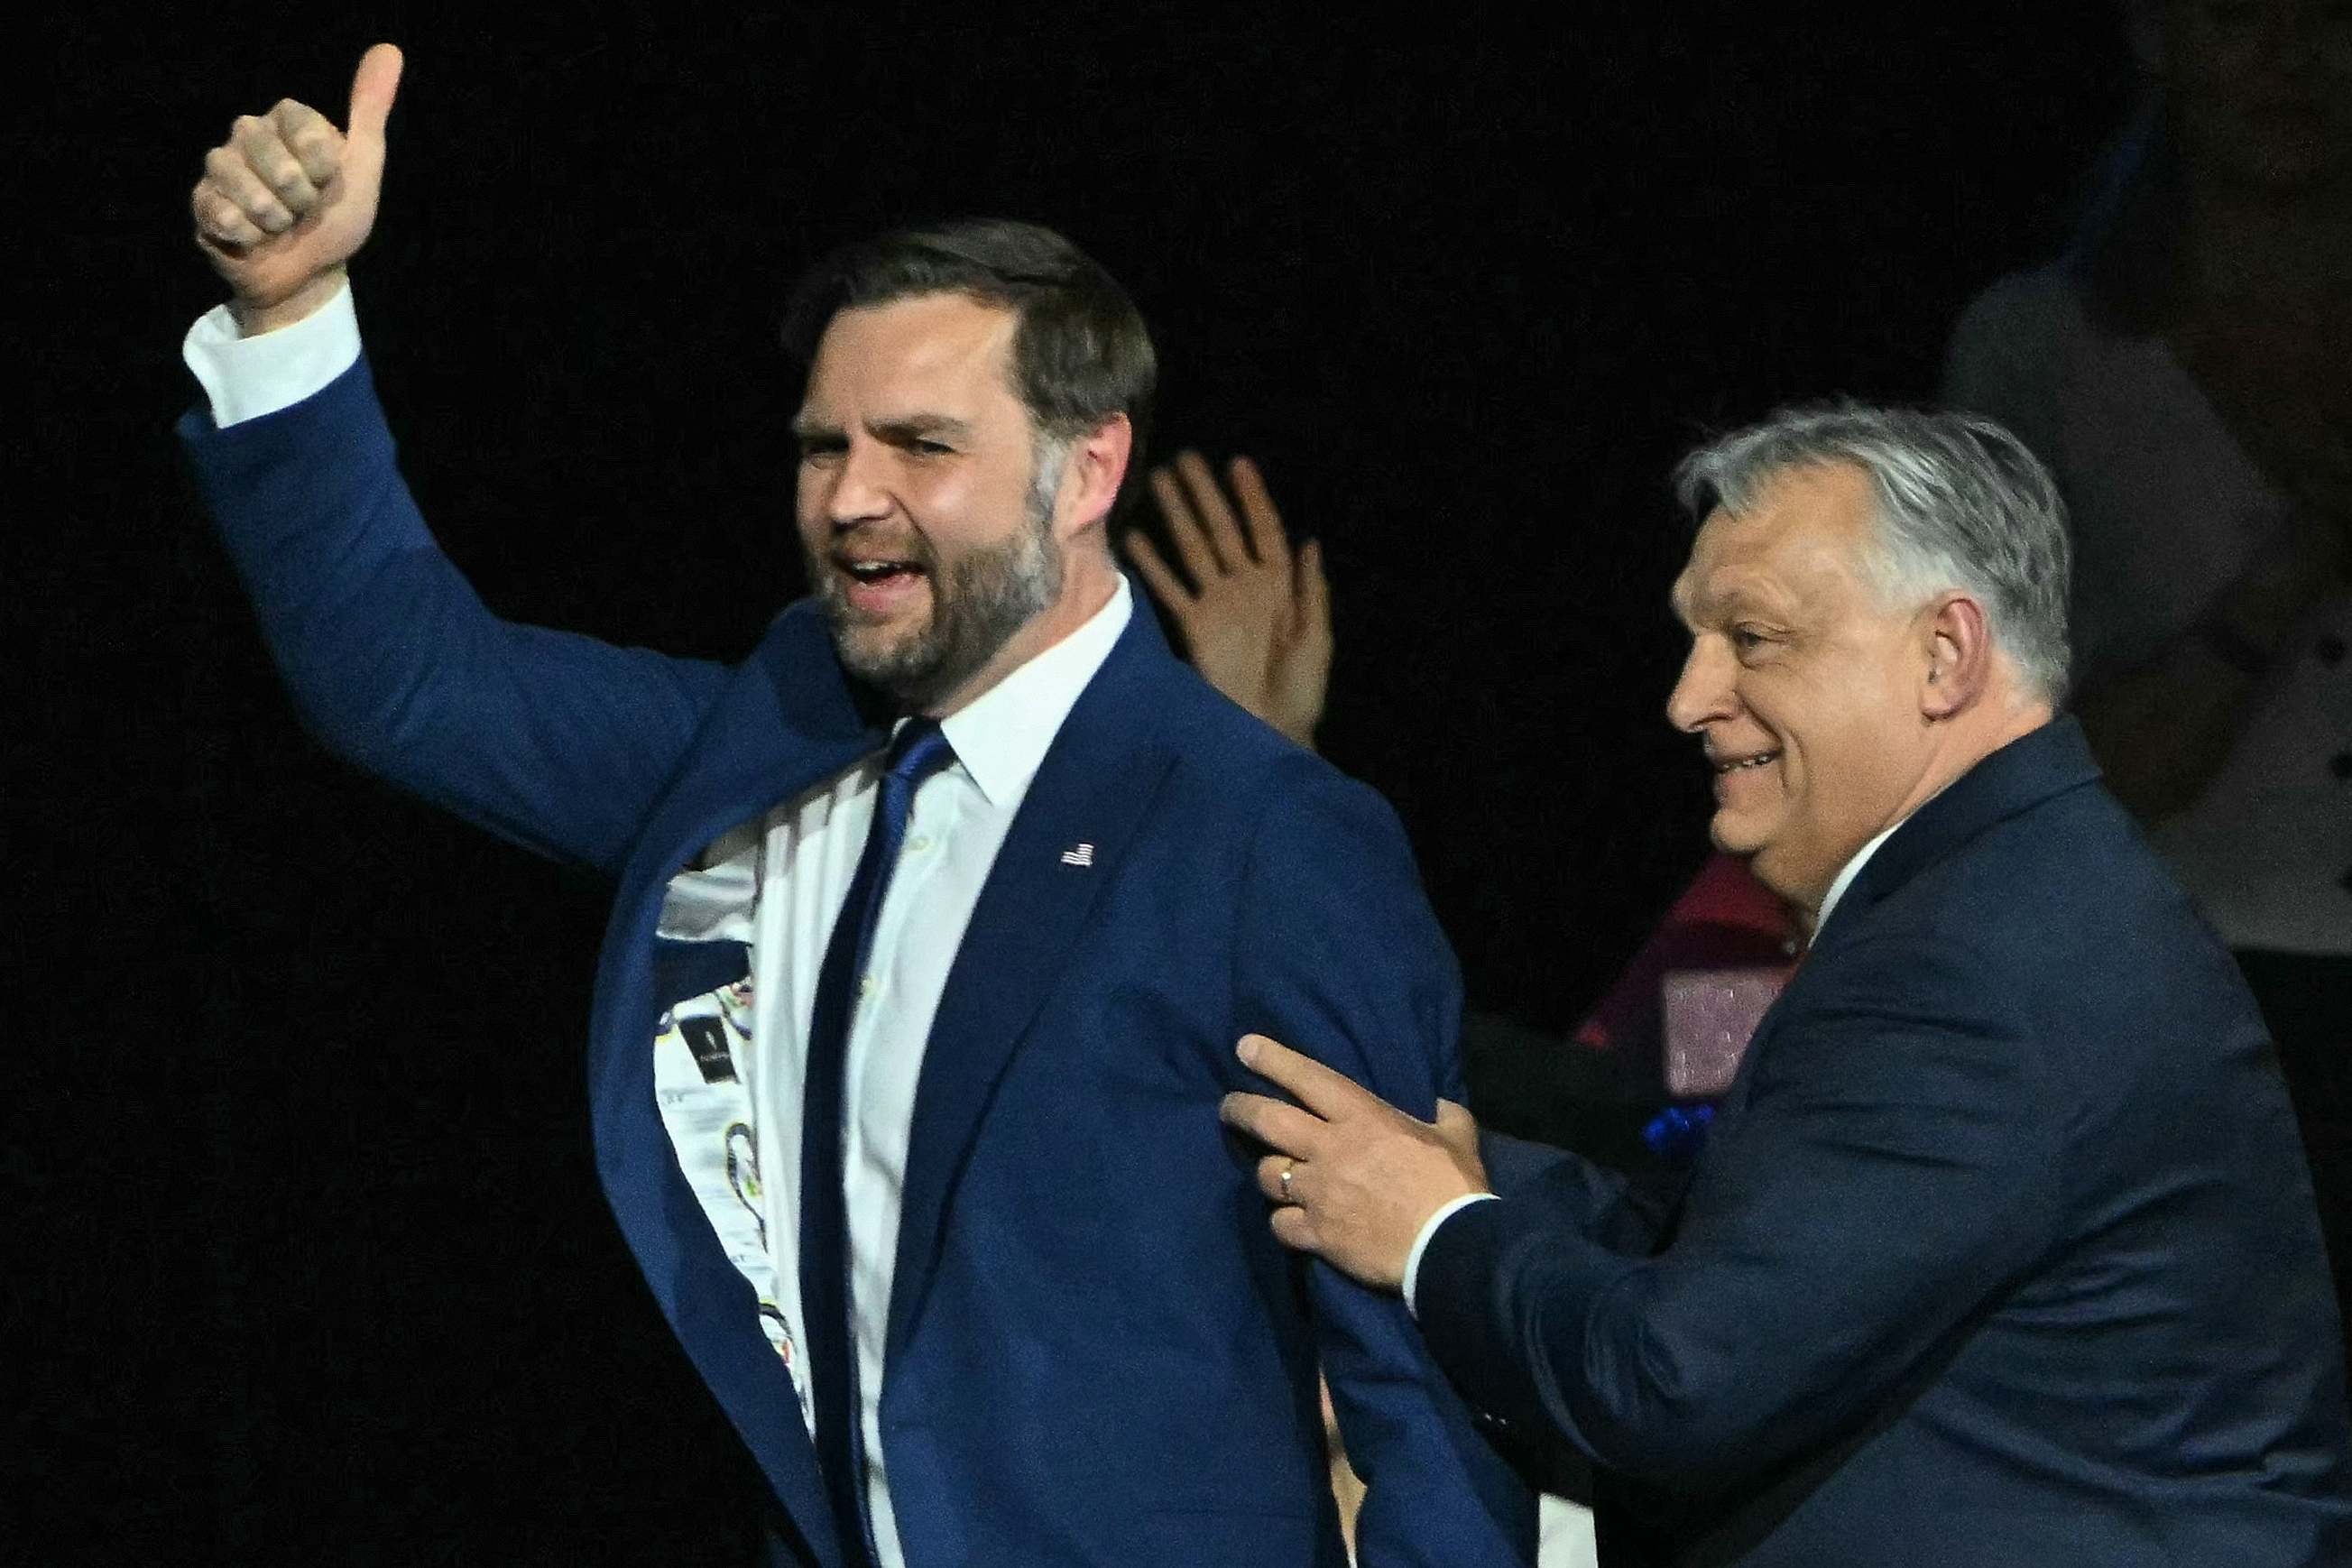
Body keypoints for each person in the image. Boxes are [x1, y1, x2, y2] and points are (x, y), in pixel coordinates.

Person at [178, 45, 1531, 1568]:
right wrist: (290, 311)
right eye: (825, 444)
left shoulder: (1262, 833)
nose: (846, 497)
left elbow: (1419, 1369)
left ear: (1088, 468)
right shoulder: (766, 738)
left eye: (921, 446)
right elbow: (409, 683)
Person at [1221, 404, 2352, 1565]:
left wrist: (1432, 1233)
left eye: (1753, 637)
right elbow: (1750, 1253)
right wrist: (1465, 1179)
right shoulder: (2003, 894)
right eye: (1698, 638)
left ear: (1945, 654)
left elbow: (1678, 1379)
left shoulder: (1972, 961)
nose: (1688, 697)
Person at [1942, 0, 2352, 1330]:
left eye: (2327, 13)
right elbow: (2003, 762)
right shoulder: (2037, 351)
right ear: (2156, 33)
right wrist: (2289, 566)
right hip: (2154, 1015)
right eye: (2240, 9)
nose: (2287, 52)